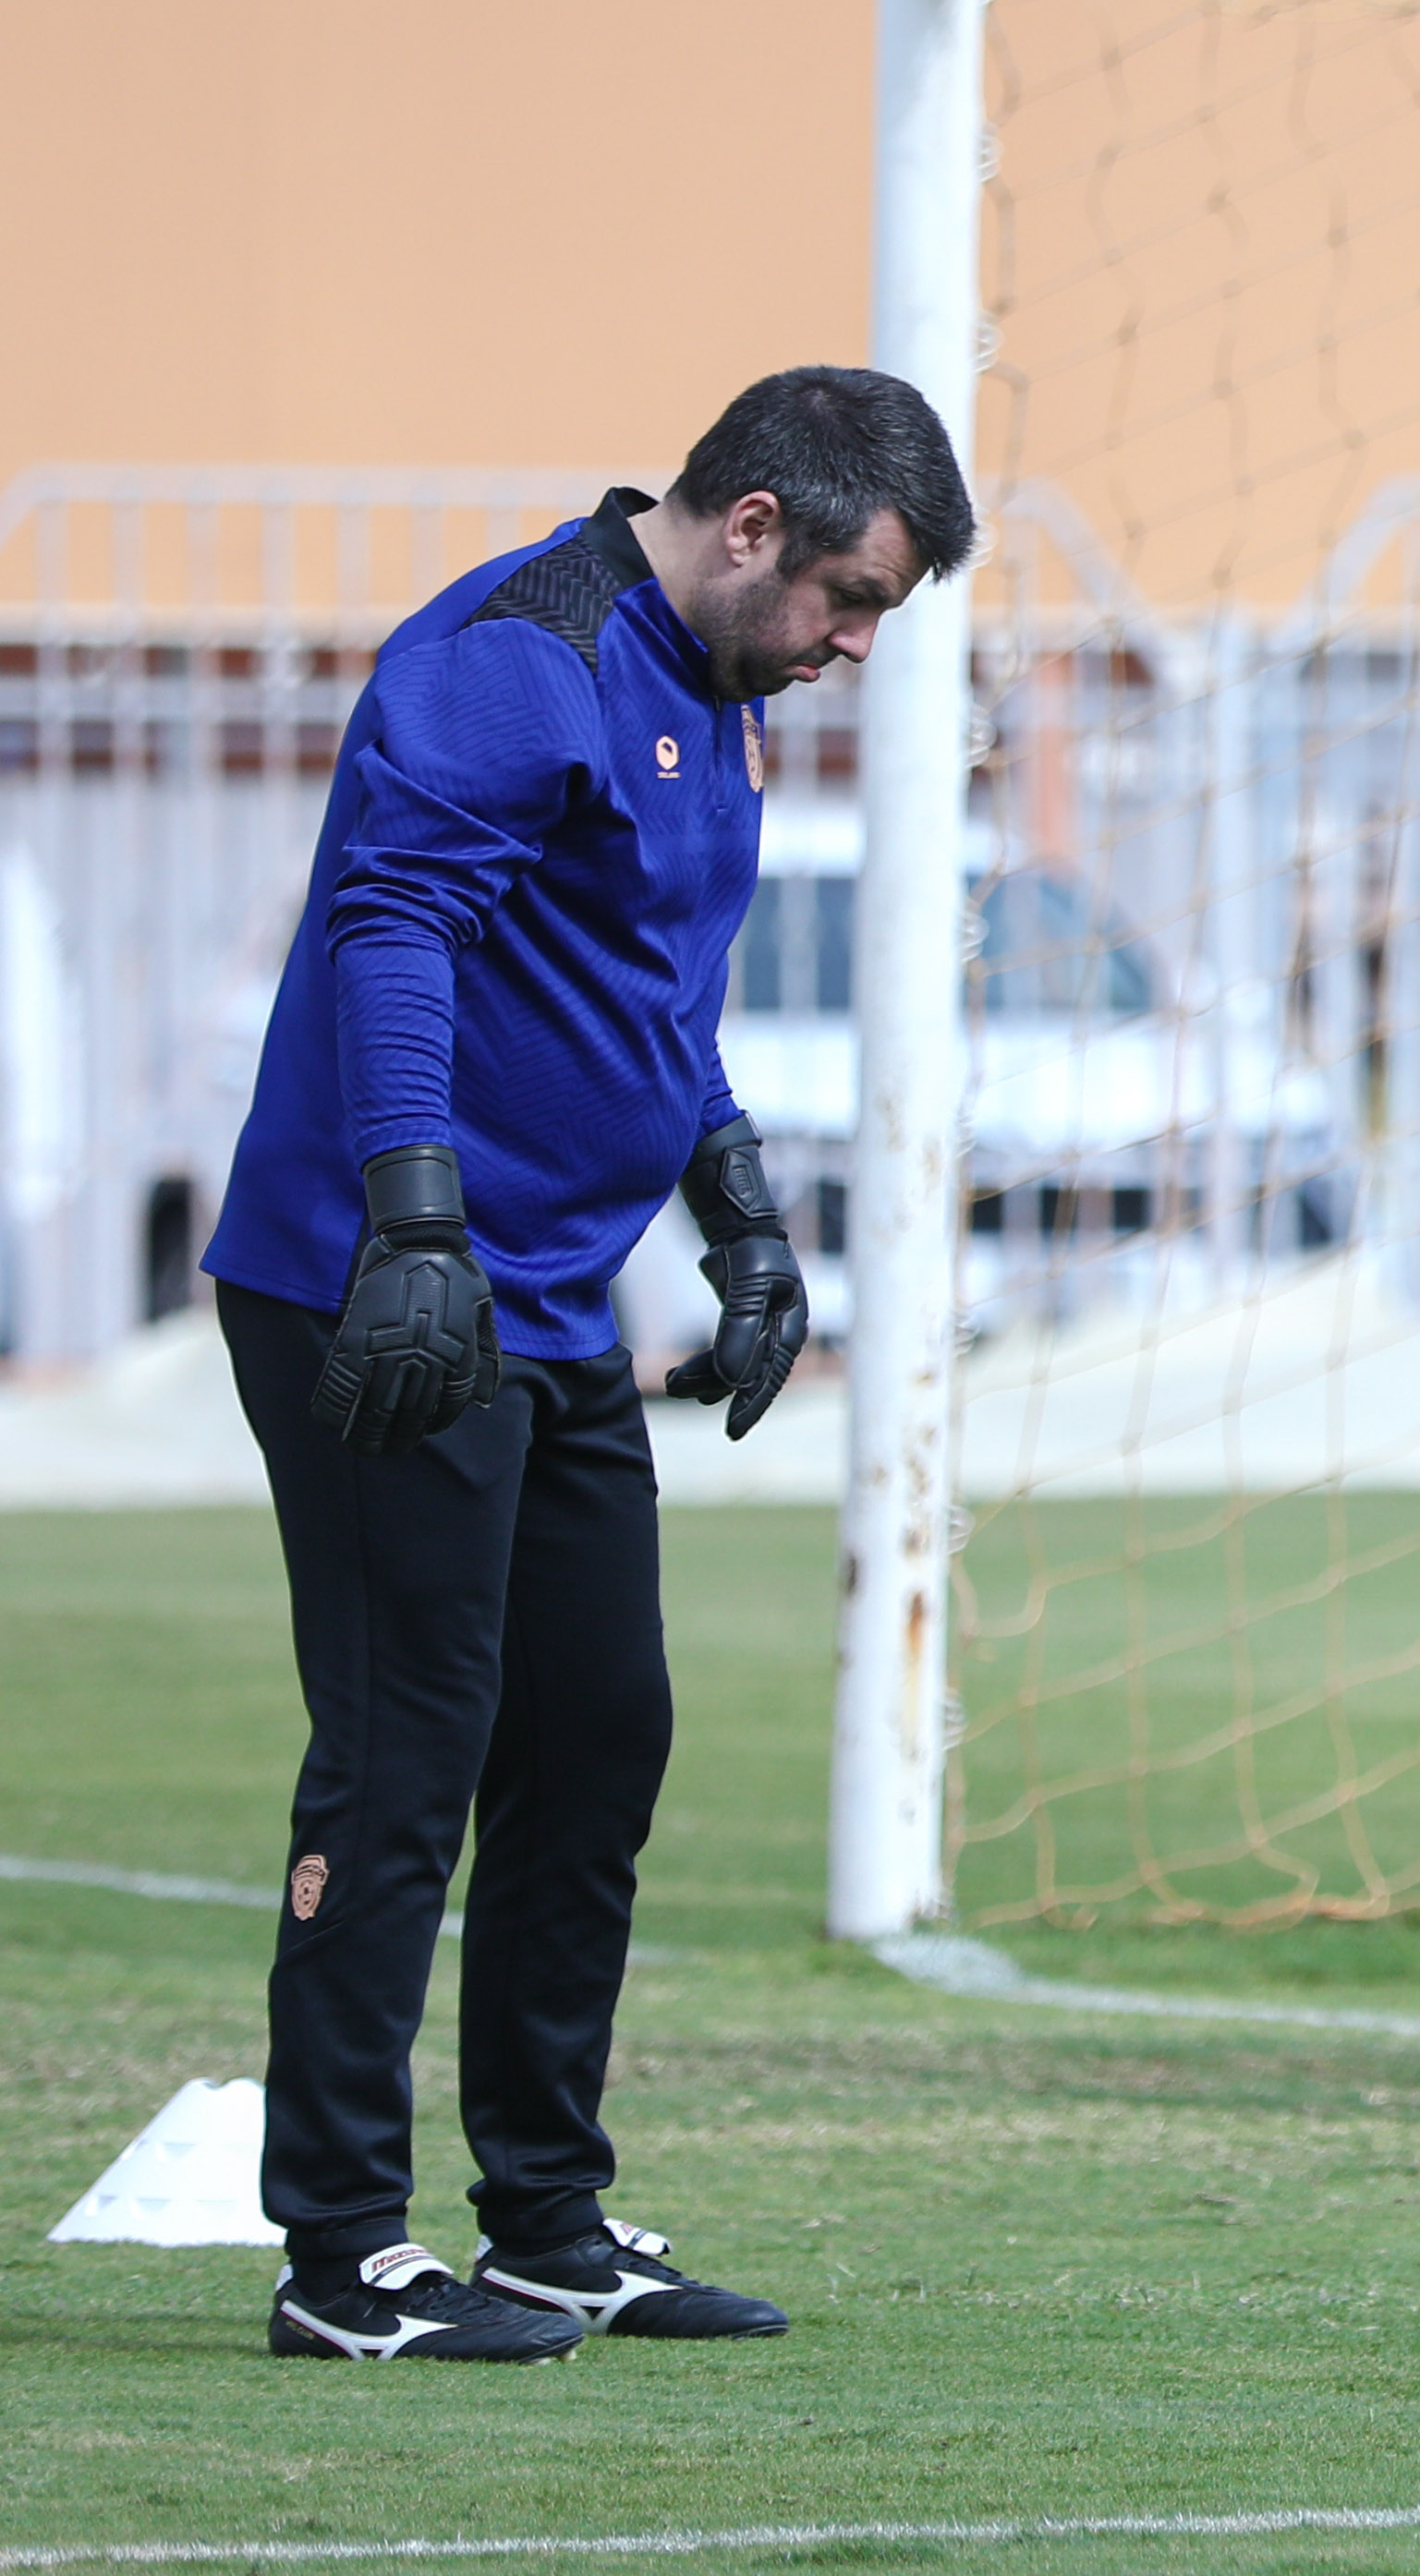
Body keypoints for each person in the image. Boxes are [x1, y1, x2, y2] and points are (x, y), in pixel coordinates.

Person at [205, 367, 977, 2360]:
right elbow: (389, 936)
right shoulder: (509, 661)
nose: (854, 647)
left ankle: (547, 2216)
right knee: (404, 1755)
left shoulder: (709, 703)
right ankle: (341, 2256)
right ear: (751, 529)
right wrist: (415, 1228)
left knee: (597, 1730)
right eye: (850, 599)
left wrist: (737, 1203)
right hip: (375, 1290)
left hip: (544, 1306)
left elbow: (647, 994)